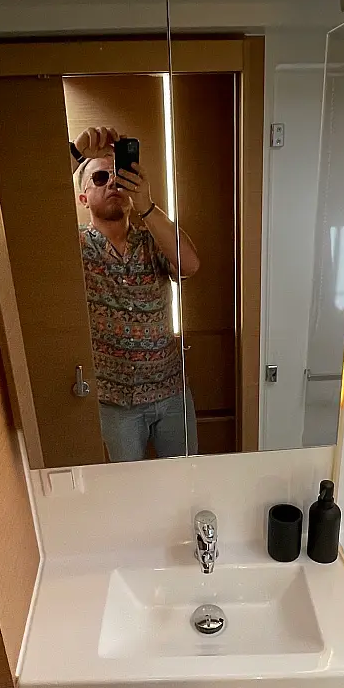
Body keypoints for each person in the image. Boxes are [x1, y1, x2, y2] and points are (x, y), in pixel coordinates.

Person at [72, 131, 199, 463]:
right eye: (100, 178)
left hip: (171, 392)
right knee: (127, 485)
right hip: (115, 403)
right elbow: (30, 218)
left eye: (118, 174)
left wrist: (146, 205)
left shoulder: (153, 238)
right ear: (83, 198)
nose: (113, 182)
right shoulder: (74, 246)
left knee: (186, 476)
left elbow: (190, 265)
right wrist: (74, 153)